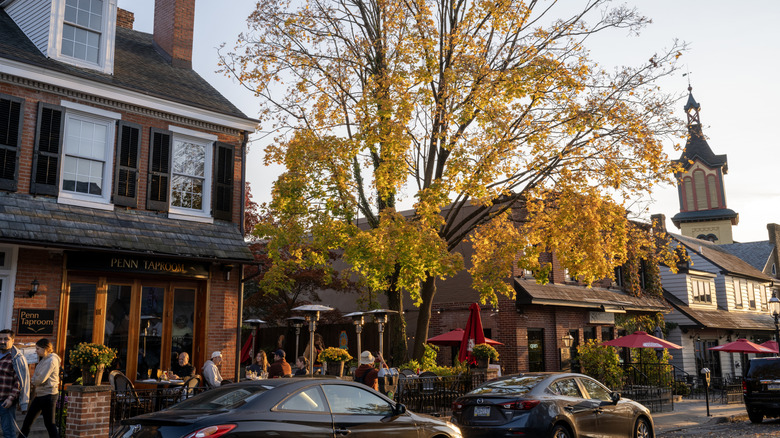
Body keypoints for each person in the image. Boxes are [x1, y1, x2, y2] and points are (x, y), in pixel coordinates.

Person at [19, 338, 60, 438]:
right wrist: (35, 379)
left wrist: (34, 380)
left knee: (49, 424)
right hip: (40, 394)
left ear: (45, 348)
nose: (36, 351)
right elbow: (36, 377)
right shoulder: (43, 360)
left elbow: (39, 379)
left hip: (49, 395)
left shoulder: (51, 360)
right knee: (28, 420)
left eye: (37, 349)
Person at [0, 329, 28, 438]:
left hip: (5, 402)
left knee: (8, 432)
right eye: (0, 339)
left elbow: (19, 382)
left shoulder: (16, 358)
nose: (2, 341)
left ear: (12, 340)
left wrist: (11, 398)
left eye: (6, 339)